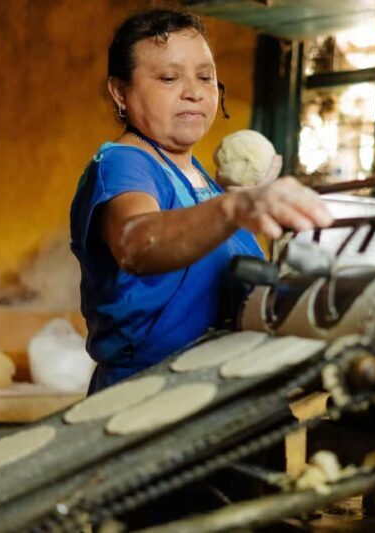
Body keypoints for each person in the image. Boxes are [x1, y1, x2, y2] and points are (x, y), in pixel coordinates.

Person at [70, 9, 333, 393]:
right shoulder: (124, 163)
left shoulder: (204, 181)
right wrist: (235, 208)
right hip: (150, 399)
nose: (194, 91)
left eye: (206, 77)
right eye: (169, 77)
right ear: (120, 91)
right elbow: (136, 241)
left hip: (221, 391)